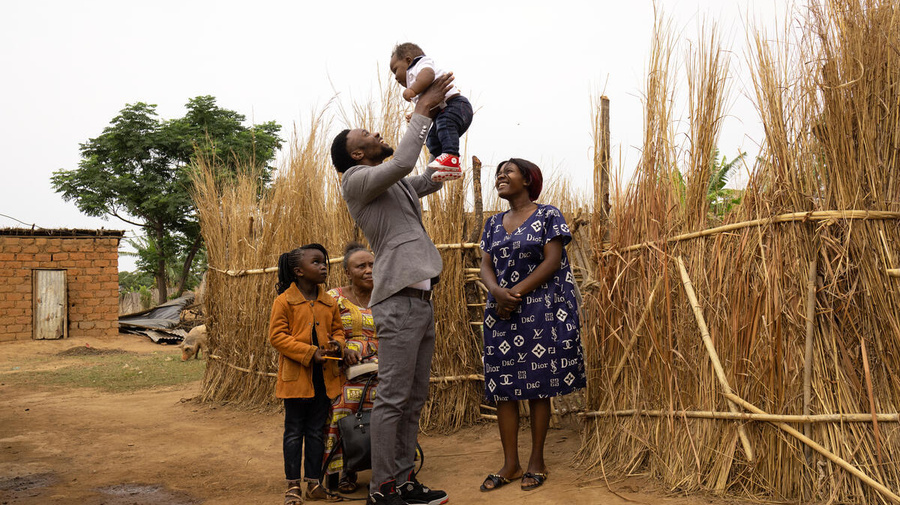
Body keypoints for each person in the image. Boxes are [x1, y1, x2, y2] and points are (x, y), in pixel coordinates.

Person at [330, 73, 455, 505]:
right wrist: (419, 113)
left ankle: (403, 482)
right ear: (357, 154)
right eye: (367, 134)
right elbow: (402, 163)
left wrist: (445, 127)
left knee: (412, 399)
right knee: (394, 398)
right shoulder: (355, 182)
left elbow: (426, 177)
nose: (378, 131)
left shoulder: (391, 182)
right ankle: (383, 489)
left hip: (418, 298)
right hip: (398, 300)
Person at [478, 159, 587, 492]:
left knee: (539, 384)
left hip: (539, 311)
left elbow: (552, 261)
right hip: (501, 313)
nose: (500, 176)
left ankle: (536, 461)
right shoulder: (493, 223)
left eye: (508, 171)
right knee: (504, 388)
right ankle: (510, 463)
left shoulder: (548, 215)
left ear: (527, 180)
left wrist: (516, 293)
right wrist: (497, 293)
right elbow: (485, 264)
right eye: (498, 173)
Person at [269, 243, 361, 504]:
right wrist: (310, 353)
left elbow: (339, 331)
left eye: (325, 263)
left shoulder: (328, 301)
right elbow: (277, 337)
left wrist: (337, 345)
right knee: (294, 432)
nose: (323, 267)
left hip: (324, 379)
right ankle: (292, 487)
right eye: (317, 263)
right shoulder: (284, 301)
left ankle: (313, 484)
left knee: (315, 431)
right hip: (296, 380)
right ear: (298, 271)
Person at [322, 243, 378, 494]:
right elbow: (325, 334)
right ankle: (346, 470)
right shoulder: (333, 298)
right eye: (361, 266)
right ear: (347, 271)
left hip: (383, 367)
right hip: (346, 370)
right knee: (343, 406)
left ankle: (388, 469)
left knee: (391, 406)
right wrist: (342, 350)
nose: (369, 270)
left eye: (372, 265)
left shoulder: (387, 295)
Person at [389, 42, 473, 182]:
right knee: (432, 140)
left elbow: (428, 74)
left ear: (408, 60)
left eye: (395, 69)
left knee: (444, 123)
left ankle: (451, 157)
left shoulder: (419, 65)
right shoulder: (417, 84)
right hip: (445, 111)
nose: (395, 77)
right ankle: (448, 166)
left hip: (456, 105)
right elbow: (429, 104)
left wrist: (412, 90)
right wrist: (417, 114)